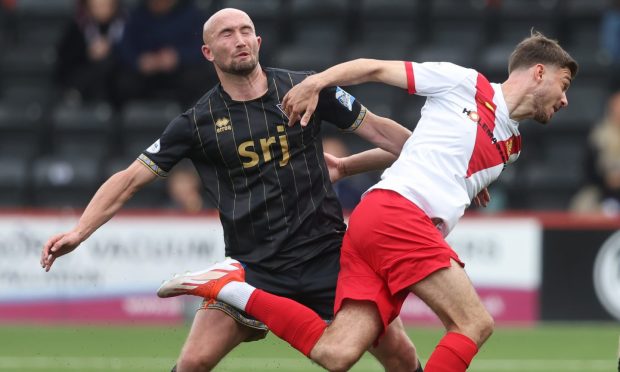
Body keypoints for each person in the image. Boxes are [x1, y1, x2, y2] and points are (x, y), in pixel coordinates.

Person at [158, 31, 578, 371]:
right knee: (474, 323)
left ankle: (226, 287)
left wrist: (346, 166)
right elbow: (372, 68)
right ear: (539, 72)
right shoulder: (465, 83)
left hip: (374, 226)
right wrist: (317, 82)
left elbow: (422, 151)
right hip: (399, 215)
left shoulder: (512, 145)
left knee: (336, 353)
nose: (565, 100)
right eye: (564, 84)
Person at [40, 8, 422, 372]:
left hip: (329, 258)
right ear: (208, 52)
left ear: (258, 41)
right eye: (226, 34)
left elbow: (381, 130)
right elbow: (129, 179)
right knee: (193, 363)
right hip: (252, 270)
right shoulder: (197, 123)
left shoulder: (306, 89)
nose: (238, 39)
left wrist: (457, 173)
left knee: (401, 356)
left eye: (244, 31)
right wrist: (79, 231)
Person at [116, 0, 211, 106]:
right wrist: (139, 61)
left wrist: (178, 57)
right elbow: (125, 47)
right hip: (144, 74)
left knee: (196, 78)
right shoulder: (137, 14)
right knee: (124, 82)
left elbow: (203, 48)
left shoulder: (193, 14)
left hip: (181, 72)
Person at [54, 0, 125, 104]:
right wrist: (88, 52)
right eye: (97, 6)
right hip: (86, 76)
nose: (101, 10)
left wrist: (112, 49)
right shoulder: (78, 27)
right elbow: (65, 57)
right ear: (88, 8)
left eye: (105, 6)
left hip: (116, 82)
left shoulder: (125, 25)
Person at [571, 91, 620, 216]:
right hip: (602, 191)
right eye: (616, 108)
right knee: (583, 204)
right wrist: (607, 179)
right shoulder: (599, 136)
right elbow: (589, 171)